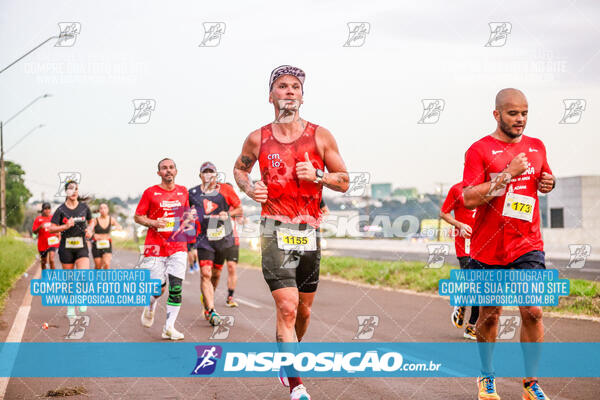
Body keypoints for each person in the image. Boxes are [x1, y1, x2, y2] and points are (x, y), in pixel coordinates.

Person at [233, 65, 349, 400]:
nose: (289, 91)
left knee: (303, 310)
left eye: (295, 87)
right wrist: (249, 187)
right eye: (282, 86)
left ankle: (286, 357)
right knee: (286, 305)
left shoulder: (321, 136)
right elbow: (240, 168)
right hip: (273, 228)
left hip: (308, 230)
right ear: (271, 95)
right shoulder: (257, 138)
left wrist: (319, 176)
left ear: (302, 95)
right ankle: (297, 386)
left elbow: (344, 181)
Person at [463, 88, 555, 400]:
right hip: (488, 246)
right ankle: (487, 377)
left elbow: (544, 178)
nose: (520, 119)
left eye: (524, 113)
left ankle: (531, 384)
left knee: (533, 311)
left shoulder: (537, 147)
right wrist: (506, 175)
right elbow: (469, 197)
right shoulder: (479, 150)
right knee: (490, 315)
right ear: (497, 114)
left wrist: (548, 183)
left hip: (527, 242)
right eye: (513, 113)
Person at [135, 158, 191, 340]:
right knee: (159, 289)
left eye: (171, 167)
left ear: (176, 171)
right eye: (164, 168)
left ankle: (169, 327)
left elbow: (187, 215)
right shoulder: (150, 193)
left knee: (176, 287)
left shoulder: (183, 192)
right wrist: (153, 222)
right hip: (155, 247)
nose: (168, 170)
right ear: (159, 173)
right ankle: (150, 306)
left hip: (178, 246)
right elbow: (138, 216)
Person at [189, 163, 243, 325]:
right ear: (200, 176)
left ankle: (207, 299)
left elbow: (239, 209)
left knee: (216, 274)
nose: (208, 175)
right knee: (205, 273)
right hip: (204, 239)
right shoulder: (192, 193)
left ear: (215, 175)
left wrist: (228, 213)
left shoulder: (226, 190)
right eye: (204, 172)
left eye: (211, 172)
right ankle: (211, 310)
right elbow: (183, 212)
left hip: (223, 239)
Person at [48, 181, 93, 316]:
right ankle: (70, 307)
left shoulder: (84, 207)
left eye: (76, 189)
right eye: (70, 189)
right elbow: (51, 228)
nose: (74, 191)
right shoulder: (61, 210)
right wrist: (65, 227)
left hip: (81, 246)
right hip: (66, 248)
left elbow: (91, 221)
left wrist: (90, 229)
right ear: (66, 192)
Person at [440, 182, 478, 339]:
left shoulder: (489, 186)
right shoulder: (456, 189)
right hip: (465, 244)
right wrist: (459, 224)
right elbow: (444, 213)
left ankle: (471, 327)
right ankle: (461, 301)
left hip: (485, 242)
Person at [220, 183, 244, 307]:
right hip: (218, 241)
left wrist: (241, 220)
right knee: (215, 272)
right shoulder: (217, 205)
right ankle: (208, 296)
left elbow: (241, 219)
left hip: (233, 240)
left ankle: (230, 296)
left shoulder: (236, 207)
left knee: (231, 267)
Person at [88, 203, 122, 269]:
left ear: (108, 209)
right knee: (98, 266)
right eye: (101, 208)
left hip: (107, 244)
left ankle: (106, 279)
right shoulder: (95, 220)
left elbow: (119, 226)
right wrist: (90, 232)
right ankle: (97, 279)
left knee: (106, 264)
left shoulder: (111, 219)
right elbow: (90, 228)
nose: (103, 210)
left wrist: (117, 228)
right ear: (99, 210)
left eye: (105, 208)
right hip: (96, 245)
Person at [32, 202, 60, 270]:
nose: (47, 210)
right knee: (43, 262)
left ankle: (53, 278)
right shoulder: (38, 219)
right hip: (42, 244)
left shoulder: (53, 218)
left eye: (49, 208)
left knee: (52, 260)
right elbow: (34, 232)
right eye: (45, 209)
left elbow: (58, 228)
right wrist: (39, 227)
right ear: (42, 210)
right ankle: (44, 277)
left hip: (52, 242)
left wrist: (58, 234)